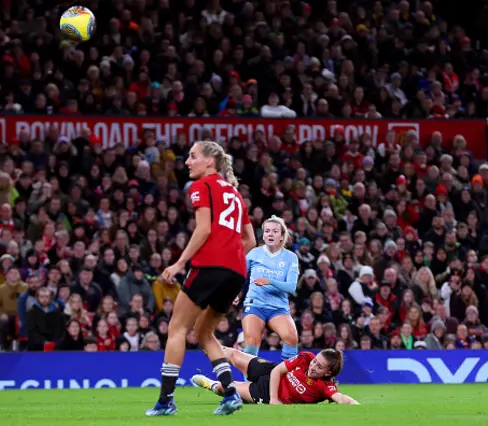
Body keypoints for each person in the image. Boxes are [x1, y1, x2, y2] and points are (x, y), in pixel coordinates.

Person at [147, 140, 256, 417]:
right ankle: (230, 394)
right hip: (235, 271)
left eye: (192, 156)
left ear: (210, 161)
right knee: (204, 332)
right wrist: (230, 269)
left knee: (177, 328)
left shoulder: (202, 186)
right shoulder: (234, 194)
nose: (187, 162)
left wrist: (180, 263)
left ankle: (165, 401)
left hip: (209, 266)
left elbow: (204, 229)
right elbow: (250, 240)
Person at [192, 347, 359, 405]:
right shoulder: (306, 358)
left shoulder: (324, 386)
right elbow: (278, 370)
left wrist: (357, 406)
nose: (313, 366)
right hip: (270, 372)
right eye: (315, 361)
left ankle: (210, 384)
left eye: (319, 366)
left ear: (328, 373)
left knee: (225, 388)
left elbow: (342, 398)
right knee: (234, 355)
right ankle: (208, 343)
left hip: (263, 391)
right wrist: (274, 400)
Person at [240, 216, 300, 364]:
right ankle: (249, 382)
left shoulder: (290, 257)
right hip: (255, 304)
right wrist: (234, 293)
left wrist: (269, 281)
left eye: (274, 231)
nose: (270, 234)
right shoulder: (254, 254)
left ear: (281, 236)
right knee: (252, 341)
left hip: (278, 308)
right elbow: (239, 275)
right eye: (267, 231)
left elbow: (291, 287)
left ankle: (287, 377)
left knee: (291, 337)